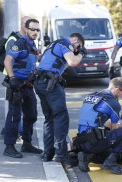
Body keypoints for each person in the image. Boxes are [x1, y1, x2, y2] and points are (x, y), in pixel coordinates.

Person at [34, 33, 86, 164]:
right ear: (76, 41)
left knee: (49, 118)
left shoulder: (55, 44)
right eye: (78, 46)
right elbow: (73, 62)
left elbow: (64, 64)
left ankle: (48, 153)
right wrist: (82, 53)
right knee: (61, 117)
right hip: (50, 84)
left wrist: (75, 53)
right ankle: (61, 155)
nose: (76, 50)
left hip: (40, 82)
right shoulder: (65, 43)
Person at [76, 77, 122, 175]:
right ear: (117, 89)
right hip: (94, 143)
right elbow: (114, 129)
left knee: (104, 137)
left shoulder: (90, 96)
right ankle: (111, 161)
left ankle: (87, 156)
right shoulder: (113, 103)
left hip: (81, 142)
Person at [3, 18, 42, 158]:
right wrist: (12, 78)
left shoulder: (33, 44)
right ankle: (9, 146)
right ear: (26, 29)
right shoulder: (18, 43)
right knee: (14, 116)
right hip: (17, 85)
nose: (35, 32)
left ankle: (27, 144)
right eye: (33, 29)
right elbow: (7, 60)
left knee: (31, 115)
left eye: (37, 30)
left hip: (28, 85)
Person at [1, 16, 32, 138]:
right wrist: (13, 78)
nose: (28, 27)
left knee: (28, 112)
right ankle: (13, 137)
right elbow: (9, 60)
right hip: (14, 79)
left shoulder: (28, 40)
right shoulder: (14, 39)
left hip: (25, 81)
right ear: (22, 25)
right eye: (26, 24)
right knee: (14, 112)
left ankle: (24, 138)